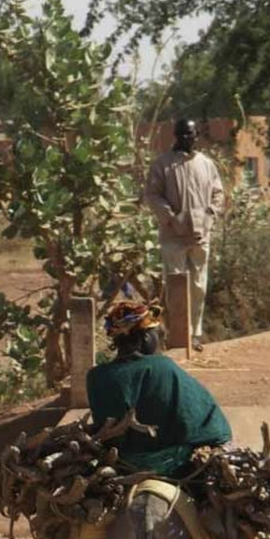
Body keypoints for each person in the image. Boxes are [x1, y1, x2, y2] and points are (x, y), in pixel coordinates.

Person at [86, 298, 231, 479]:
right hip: (173, 465)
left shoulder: (95, 376)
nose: (159, 340)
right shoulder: (162, 366)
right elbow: (200, 414)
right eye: (156, 333)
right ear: (146, 336)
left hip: (121, 464)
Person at [145, 117, 224, 352]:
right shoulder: (162, 164)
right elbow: (153, 195)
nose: (187, 139)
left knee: (198, 285)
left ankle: (195, 334)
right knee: (176, 284)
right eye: (182, 135)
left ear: (197, 136)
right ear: (176, 136)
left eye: (191, 135)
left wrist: (210, 215)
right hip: (173, 237)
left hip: (201, 234)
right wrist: (170, 218)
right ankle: (178, 335)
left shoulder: (206, 164)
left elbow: (218, 193)